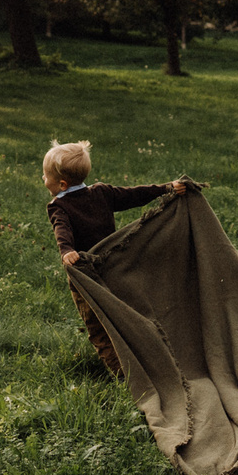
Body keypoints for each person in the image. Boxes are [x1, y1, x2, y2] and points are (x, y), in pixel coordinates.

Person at [44, 140, 192, 378]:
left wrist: (66, 251)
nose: (43, 179)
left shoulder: (58, 206)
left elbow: (62, 229)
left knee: (97, 326)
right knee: (123, 315)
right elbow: (136, 194)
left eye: (44, 176)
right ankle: (147, 357)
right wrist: (166, 187)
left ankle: (125, 376)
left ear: (61, 184)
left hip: (86, 274)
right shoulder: (102, 192)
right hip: (115, 267)